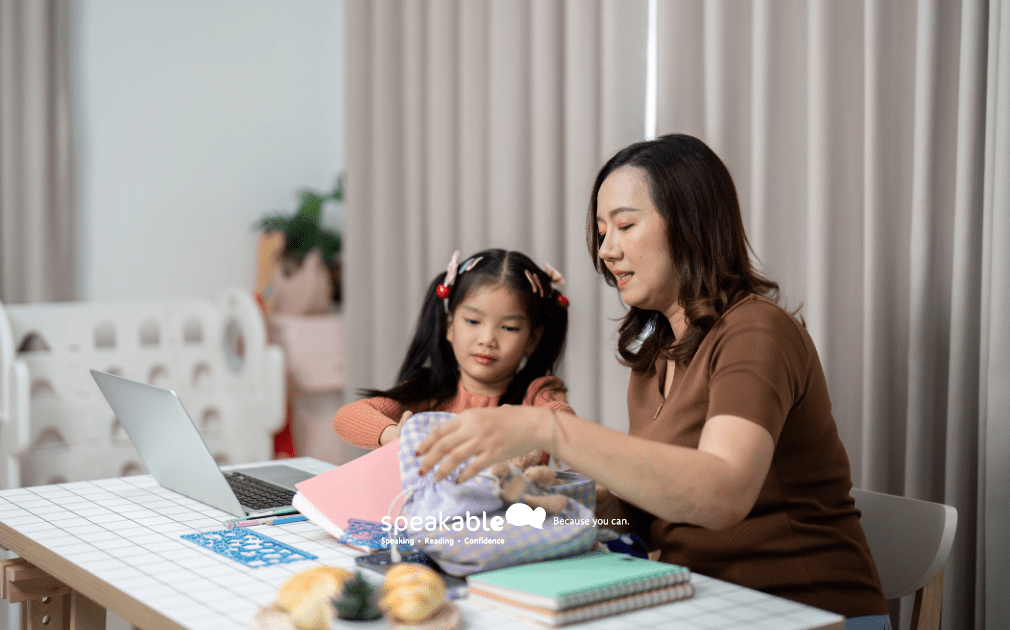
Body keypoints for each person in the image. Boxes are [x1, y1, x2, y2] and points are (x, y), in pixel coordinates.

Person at [415, 134, 890, 625]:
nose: (606, 251)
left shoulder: (757, 331)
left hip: (809, 612)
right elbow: (645, 519)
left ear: (690, 226)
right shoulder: (652, 362)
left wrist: (548, 429)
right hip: (704, 605)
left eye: (624, 225)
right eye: (601, 232)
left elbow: (723, 494)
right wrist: (557, 502)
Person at [333, 248, 574, 457]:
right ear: (449, 326)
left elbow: (567, 427)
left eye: (509, 328)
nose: (487, 340)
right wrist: (396, 435)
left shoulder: (539, 394)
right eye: (472, 321)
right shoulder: (429, 391)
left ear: (532, 339)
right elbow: (348, 416)